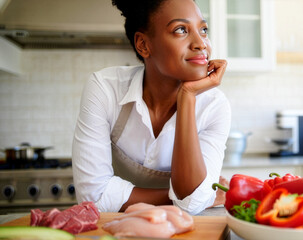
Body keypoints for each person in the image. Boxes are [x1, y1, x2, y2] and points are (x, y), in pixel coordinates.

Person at [72, 0, 230, 215]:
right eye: (181, 30)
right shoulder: (105, 88)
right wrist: (191, 196)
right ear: (143, 45)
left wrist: (187, 96)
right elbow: (93, 197)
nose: (201, 43)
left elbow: (193, 202)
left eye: (203, 30)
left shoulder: (214, 106)